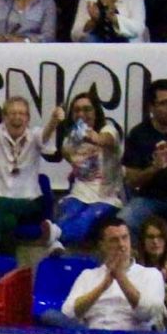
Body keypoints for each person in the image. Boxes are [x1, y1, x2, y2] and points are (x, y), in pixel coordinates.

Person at [0, 90, 58, 257]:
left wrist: (54, 120)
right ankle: (8, 265)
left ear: (27, 118)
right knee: (8, 221)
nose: (17, 117)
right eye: (12, 113)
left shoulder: (34, 135)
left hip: (28, 202)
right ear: (5, 117)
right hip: (0, 200)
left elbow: (45, 135)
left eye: (22, 113)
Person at [60, 215, 166, 329]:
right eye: (114, 240)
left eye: (125, 238)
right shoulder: (88, 275)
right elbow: (68, 313)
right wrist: (102, 286)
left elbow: (149, 314)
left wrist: (120, 277)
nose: (121, 245)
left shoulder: (150, 274)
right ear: (102, 245)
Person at [51, 92, 123, 250]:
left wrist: (94, 138)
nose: (81, 114)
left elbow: (105, 140)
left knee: (85, 220)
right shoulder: (69, 140)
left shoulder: (109, 130)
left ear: (96, 112)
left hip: (107, 198)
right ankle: (55, 238)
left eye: (87, 109)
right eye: (77, 110)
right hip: (79, 194)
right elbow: (68, 156)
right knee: (67, 215)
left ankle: (54, 238)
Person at [121, 80, 167, 234]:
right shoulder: (139, 134)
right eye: (164, 103)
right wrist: (155, 168)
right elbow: (132, 180)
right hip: (150, 198)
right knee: (125, 222)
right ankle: (139, 257)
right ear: (151, 107)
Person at [137, 212, 167, 284]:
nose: (155, 241)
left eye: (160, 237)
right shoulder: (135, 265)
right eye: (150, 237)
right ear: (143, 240)